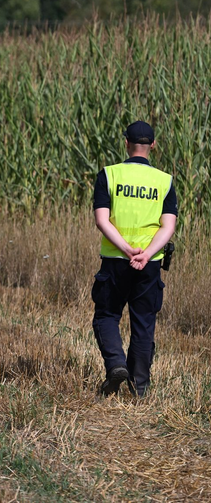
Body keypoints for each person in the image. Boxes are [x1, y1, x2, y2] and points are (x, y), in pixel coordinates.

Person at [91, 121, 178, 397]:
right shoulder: (164, 181)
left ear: (125, 142)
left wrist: (127, 250)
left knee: (106, 316)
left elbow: (102, 220)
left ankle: (116, 363)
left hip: (116, 261)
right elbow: (168, 226)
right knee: (143, 323)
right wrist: (147, 253)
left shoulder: (109, 175)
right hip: (149, 265)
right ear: (153, 145)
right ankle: (138, 388)